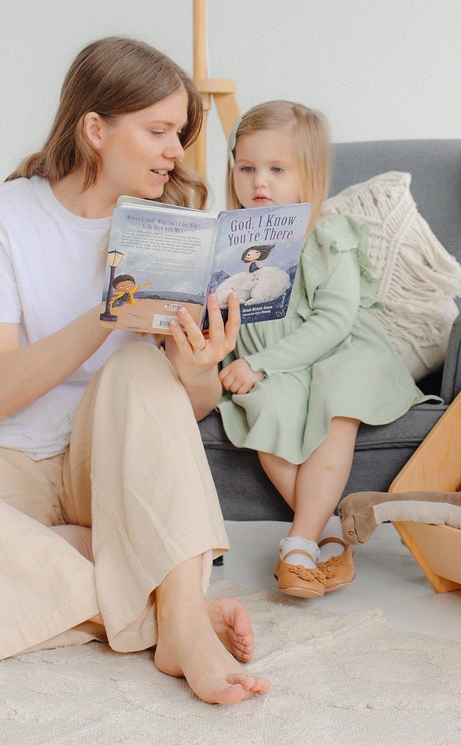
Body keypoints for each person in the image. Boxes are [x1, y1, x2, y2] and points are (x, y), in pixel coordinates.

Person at [0, 36, 270, 705]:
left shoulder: (178, 229)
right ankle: (161, 599)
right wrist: (110, 311)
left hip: (112, 466)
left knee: (140, 375)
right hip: (15, 463)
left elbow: (187, 413)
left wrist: (202, 369)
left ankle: (164, 610)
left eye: (178, 133)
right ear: (95, 129)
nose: (176, 151)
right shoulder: (11, 219)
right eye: (157, 131)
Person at [216, 101, 424, 599]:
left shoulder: (327, 237)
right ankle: (329, 532)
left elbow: (334, 320)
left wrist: (260, 362)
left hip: (336, 350)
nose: (258, 182)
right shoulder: (229, 242)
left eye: (276, 169)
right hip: (272, 365)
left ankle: (298, 546)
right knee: (267, 408)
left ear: (308, 175)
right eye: (246, 168)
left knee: (338, 399)